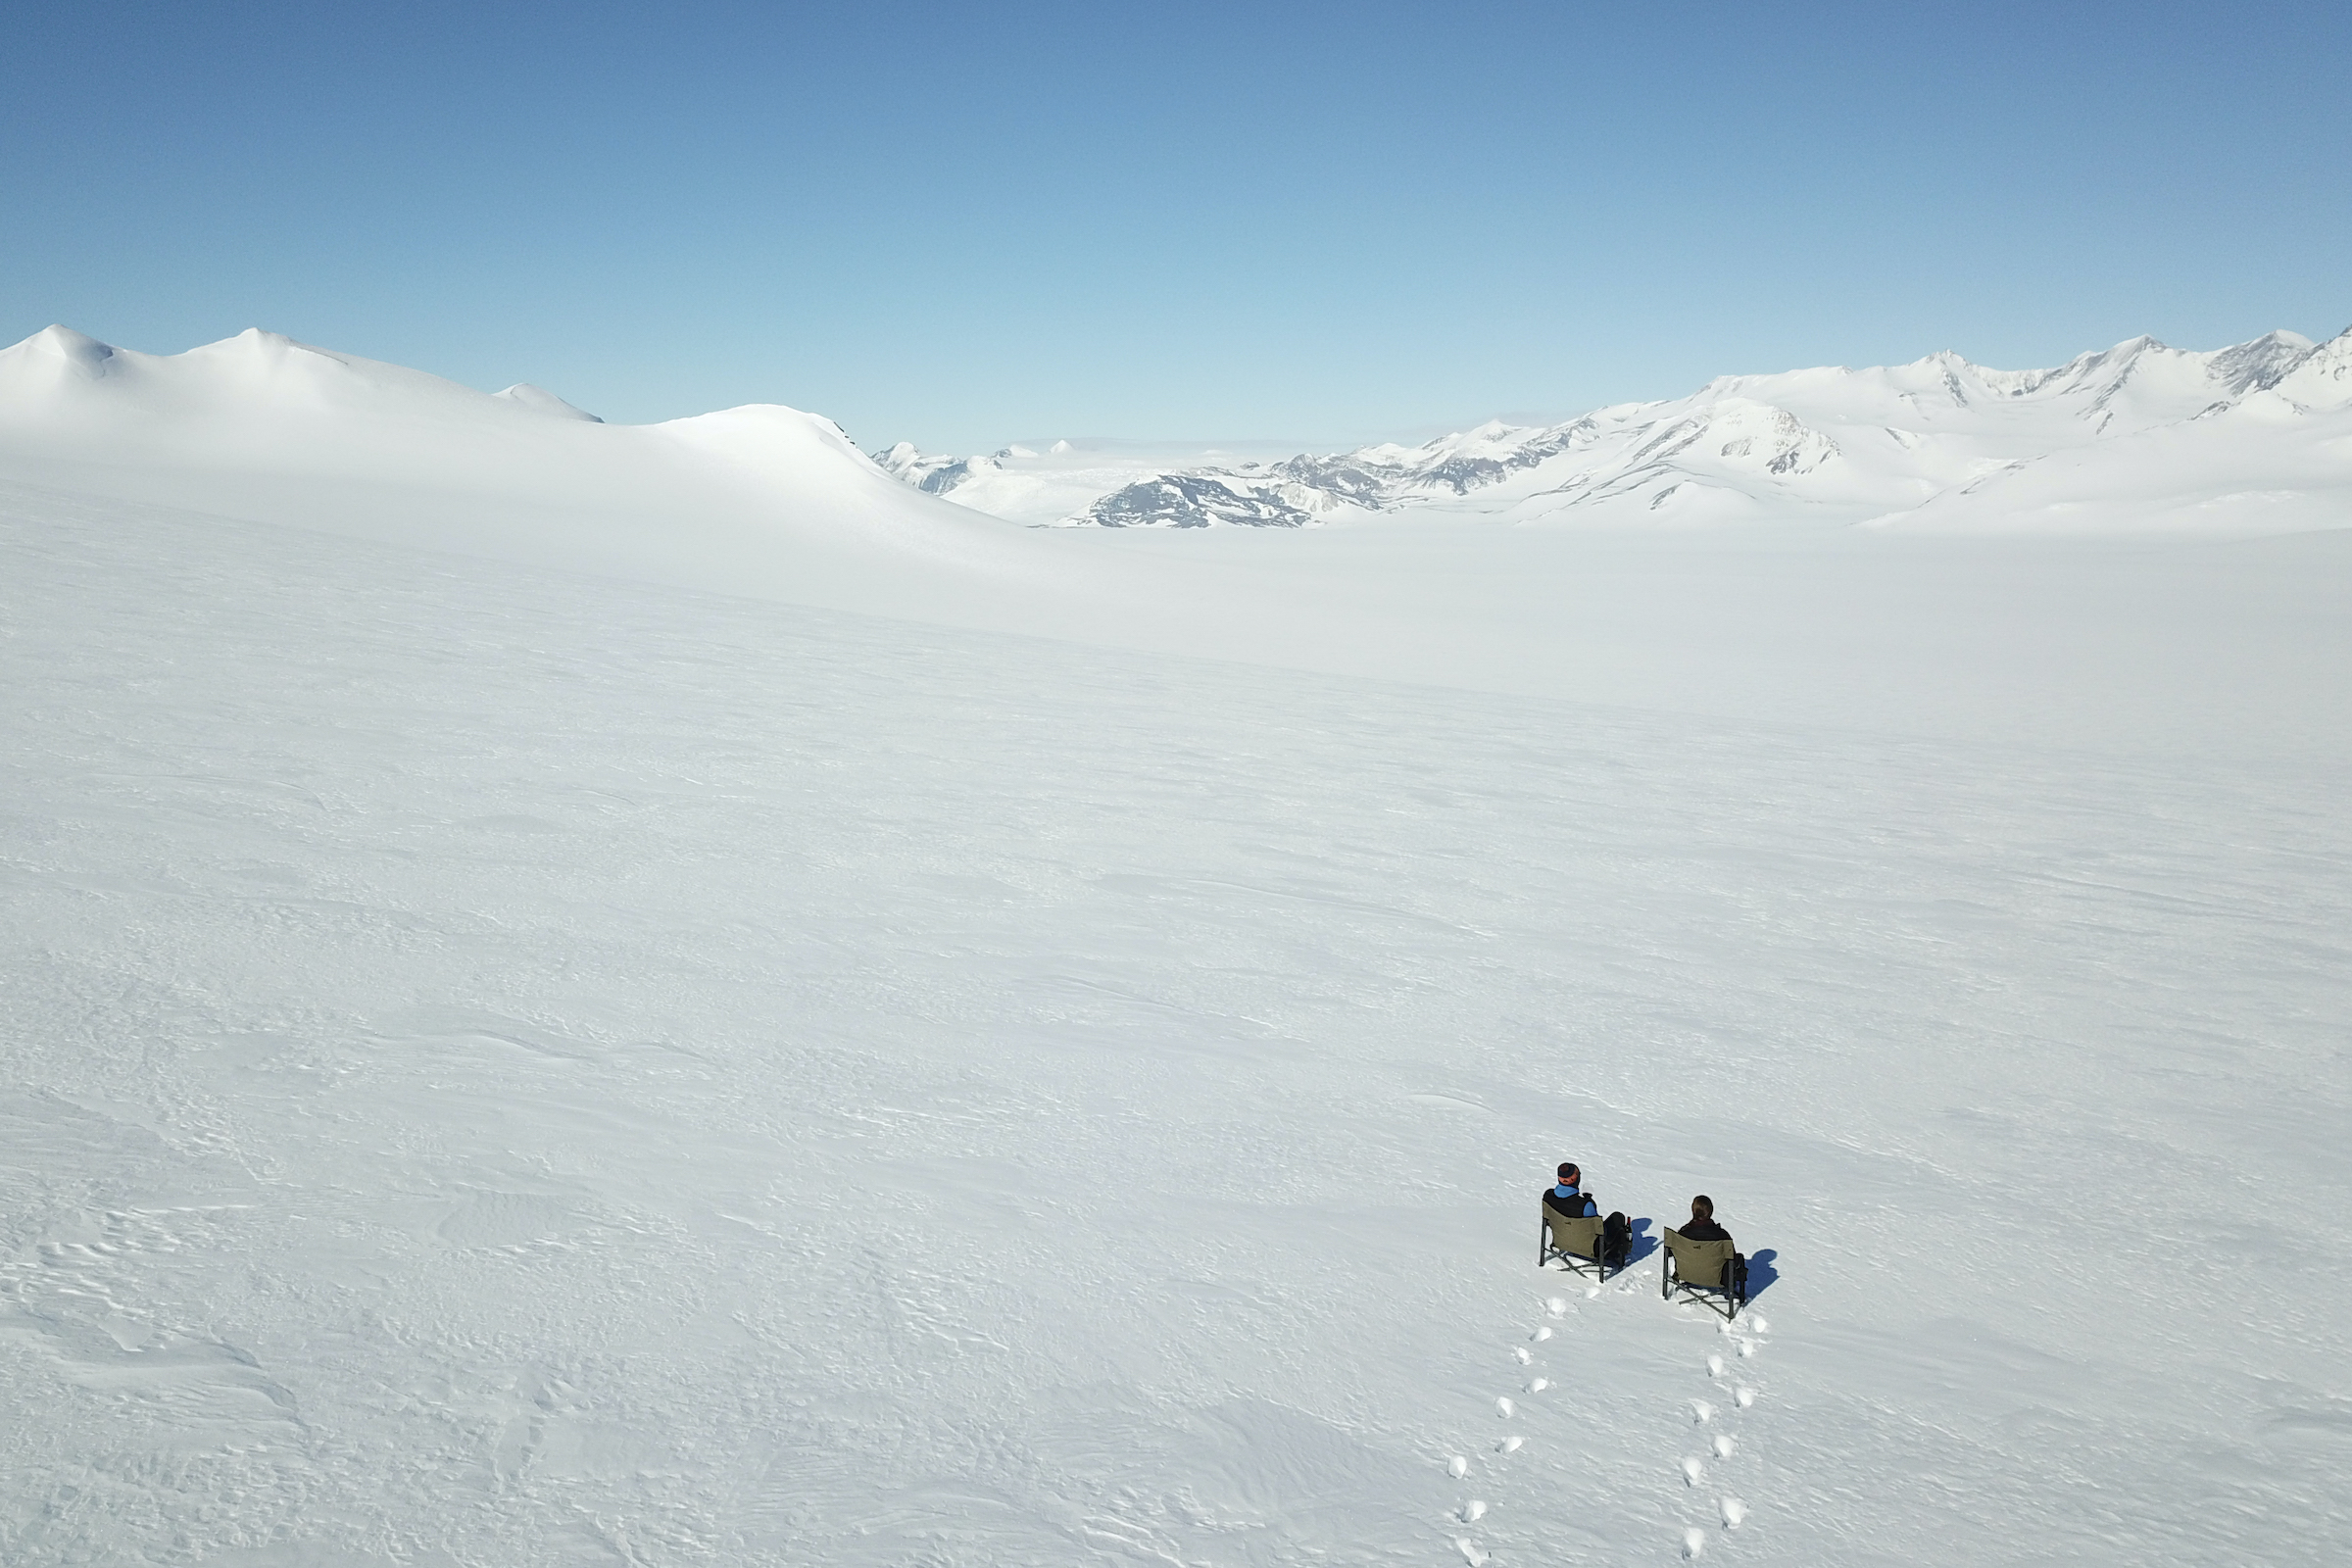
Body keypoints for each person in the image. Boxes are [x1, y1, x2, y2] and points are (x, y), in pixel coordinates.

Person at [1544, 1162, 1631, 1269]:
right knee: (1617, 1217)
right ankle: (1616, 1255)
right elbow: (1599, 1230)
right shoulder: (1585, 1205)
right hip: (1590, 1249)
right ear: (1573, 1179)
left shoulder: (1548, 1196)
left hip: (1561, 1241)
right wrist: (1589, 1200)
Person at [1679, 1195, 1747, 1299]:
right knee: (1739, 1259)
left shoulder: (1683, 1233)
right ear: (1711, 1211)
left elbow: (1671, 1252)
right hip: (1717, 1279)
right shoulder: (1721, 1235)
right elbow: (1731, 1257)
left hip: (1686, 1273)